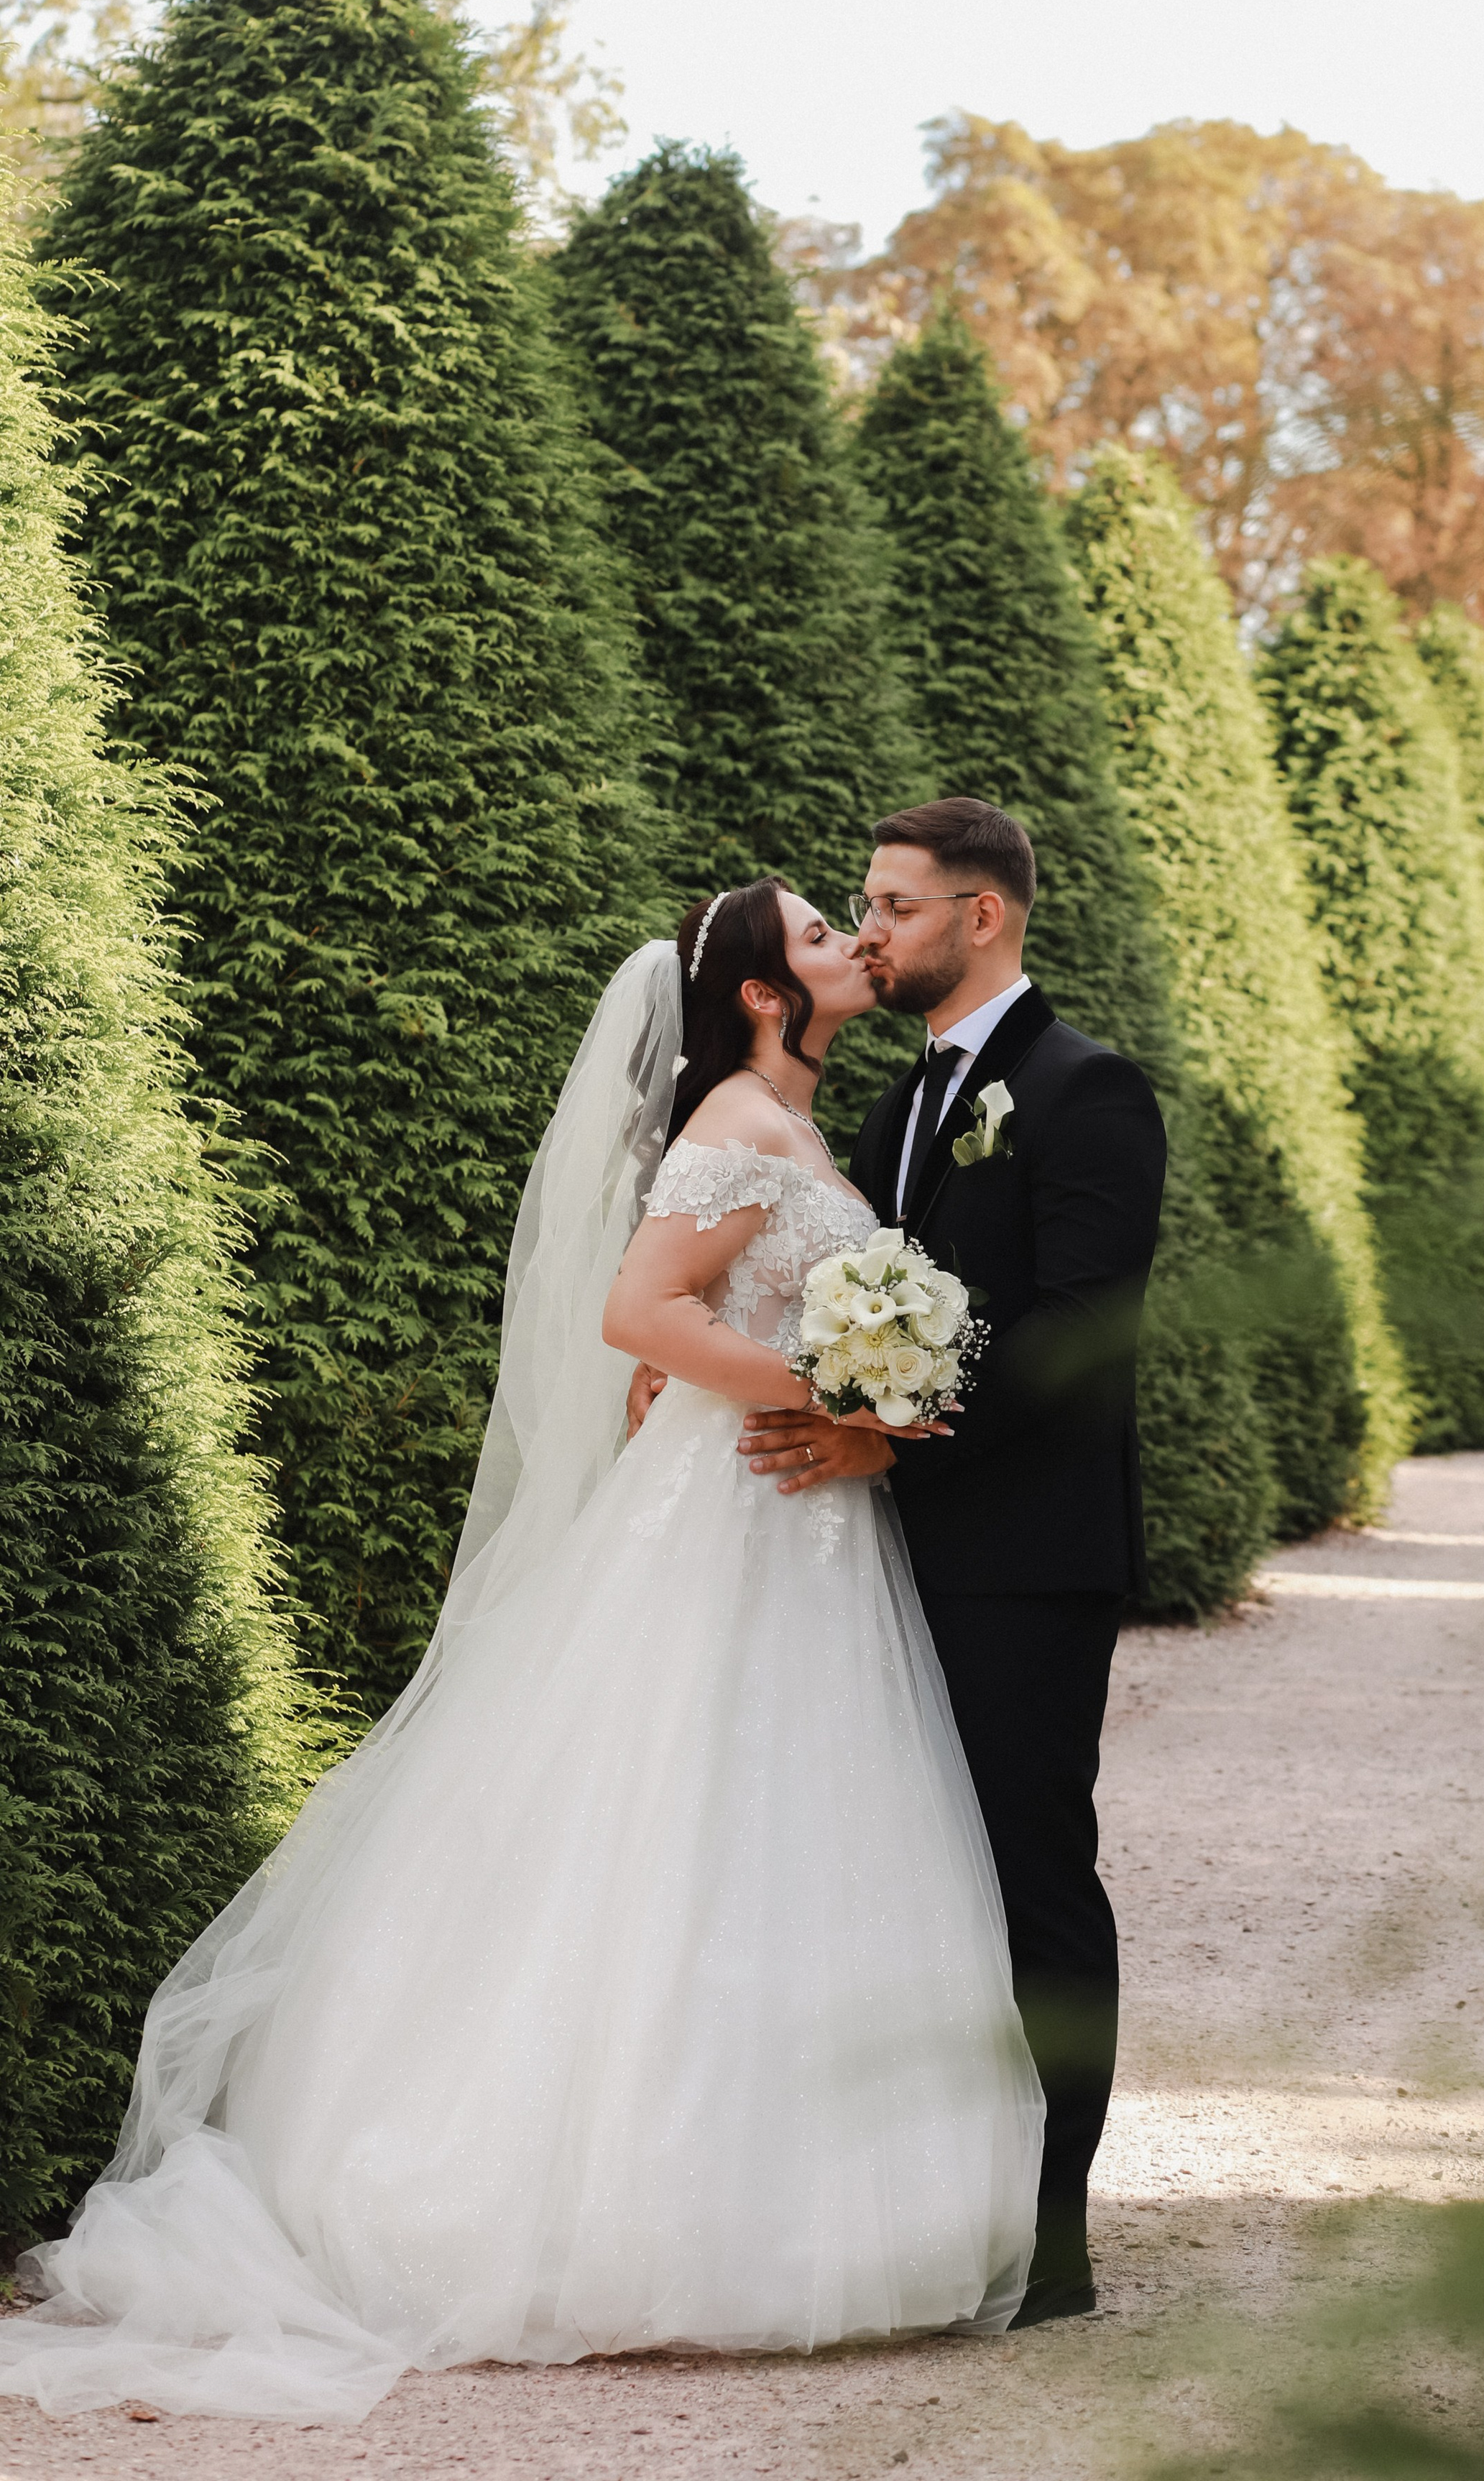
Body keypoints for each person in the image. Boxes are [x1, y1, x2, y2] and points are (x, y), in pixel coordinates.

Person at [0, 883, 1042, 2427]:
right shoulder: (742, 1124)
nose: (848, 946)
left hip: (799, 1524)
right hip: (728, 1510)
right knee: (663, 1820)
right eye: (821, 935)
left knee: (787, 1831)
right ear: (762, 995)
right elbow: (641, 1311)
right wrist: (835, 1387)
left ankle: (811, 2202)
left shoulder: (796, 1121)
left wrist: (854, 1399)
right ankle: (596, 2212)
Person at [738, 800, 1168, 2326]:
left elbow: (1073, 1338)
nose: (869, 933)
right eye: (859, 903)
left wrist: (894, 1438)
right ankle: (934, 2201)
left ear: (980, 916)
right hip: (874, 1554)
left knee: (1030, 1877)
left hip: (1020, 1556)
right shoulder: (892, 1105)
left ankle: (1051, 2235)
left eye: (895, 906)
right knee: (902, 1876)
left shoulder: (1085, 1090)